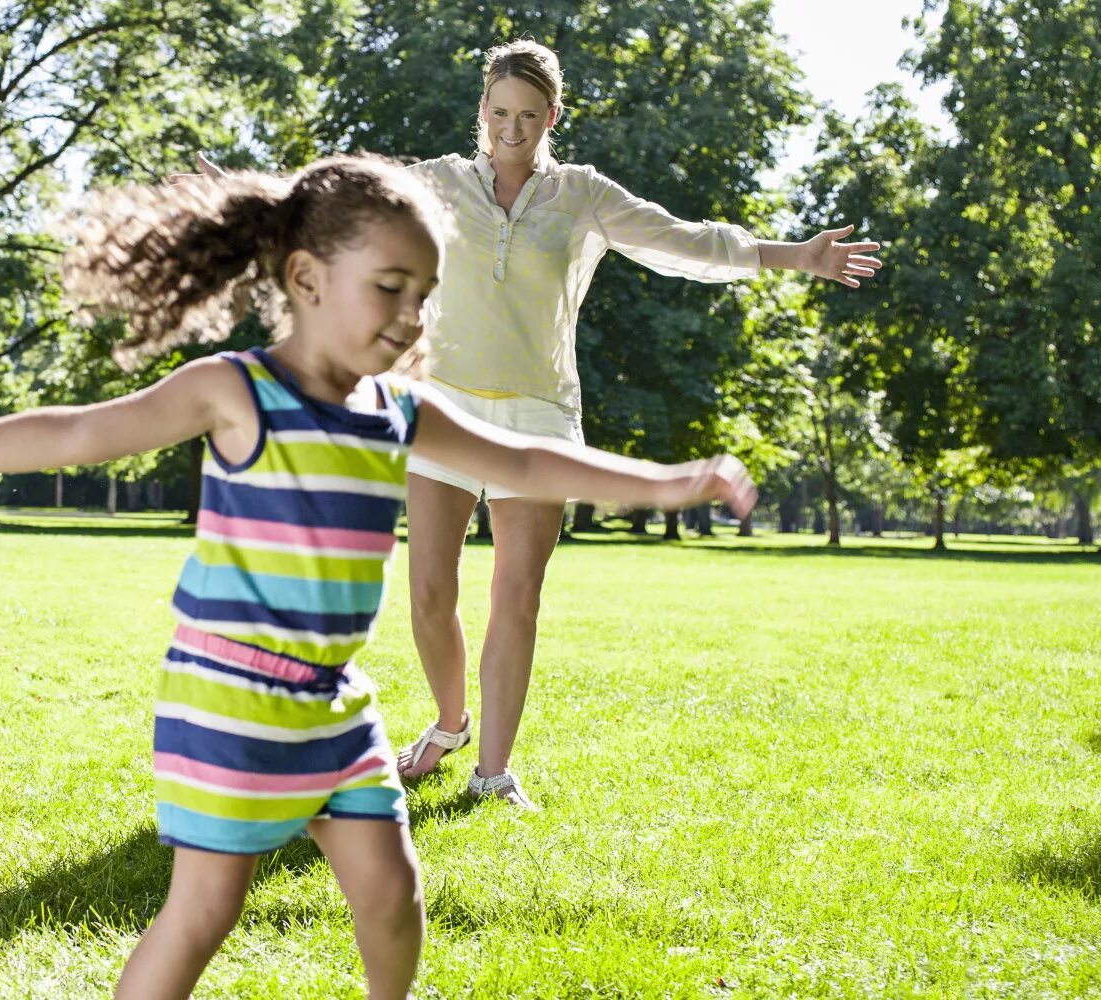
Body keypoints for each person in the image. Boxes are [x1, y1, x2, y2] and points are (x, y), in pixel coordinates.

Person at [0, 156, 754, 998]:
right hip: (227, 700)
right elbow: (77, 432)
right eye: (389, 288)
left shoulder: (399, 410)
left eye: (425, 297)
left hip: (336, 703)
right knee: (204, 911)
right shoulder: (236, 391)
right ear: (307, 279)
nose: (410, 317)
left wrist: (668, 482)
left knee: (391, 894)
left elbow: (524, 462)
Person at [179, 40, 882, 810]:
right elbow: (343, 198)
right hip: (442, 409)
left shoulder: (582, 196)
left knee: (517, 595)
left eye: (528, 116)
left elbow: (684, 243)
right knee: (428, 594)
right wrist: (248, 197)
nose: (511, 129)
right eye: (498, 113)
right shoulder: (438, 183)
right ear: (482, 112)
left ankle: (494, 771)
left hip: (539, 416)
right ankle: (450, 726)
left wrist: (794, 256)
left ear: (552, 116)